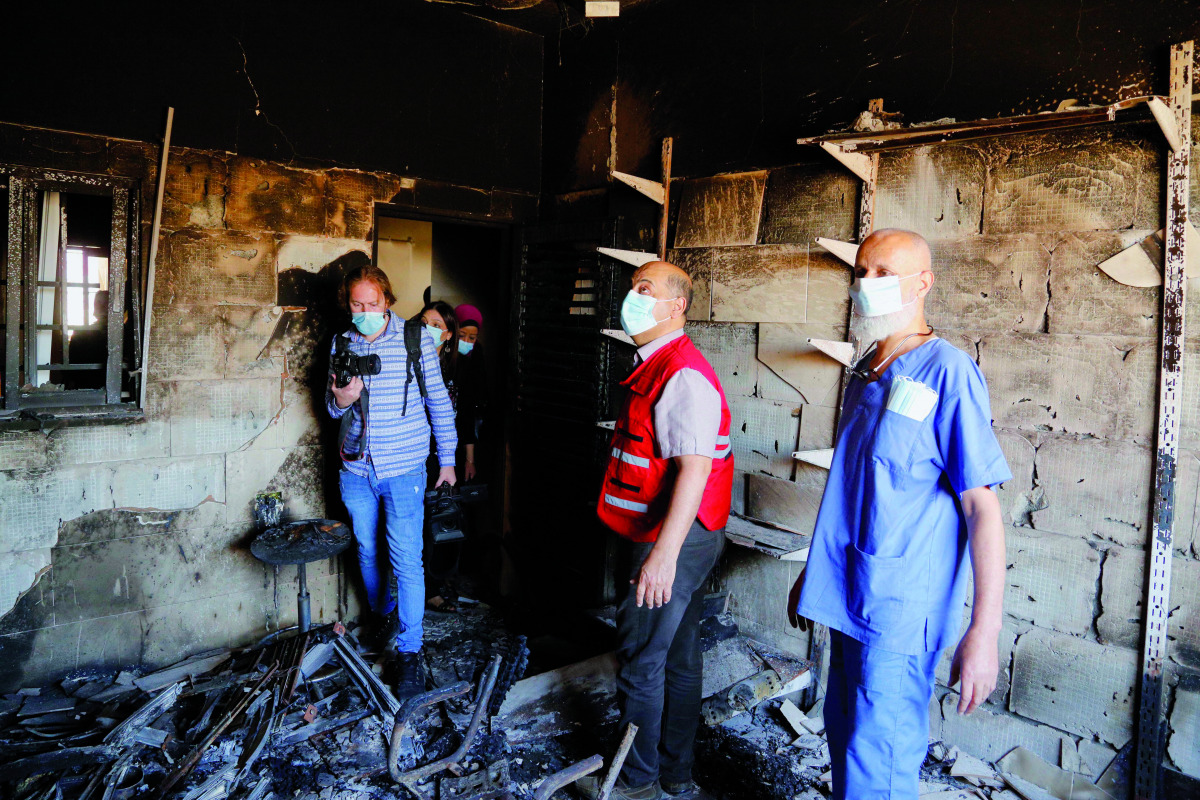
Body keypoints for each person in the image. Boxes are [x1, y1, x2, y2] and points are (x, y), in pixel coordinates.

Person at [787, 229, 1010, 800]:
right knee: (844, 738)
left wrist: (984, 631)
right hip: (848, 591)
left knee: (878, 758)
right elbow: (854, 489)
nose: (868, 283)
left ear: (924, 283)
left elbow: (981, 508)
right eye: (863, 271)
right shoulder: (868, 367)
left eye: (885, 272)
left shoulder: (948, 372)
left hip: (900, 608)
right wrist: (813, 575)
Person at [576, 261, 734, 800]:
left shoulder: (682, 373)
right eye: (632, 288)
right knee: (680, 657)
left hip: (672, 539)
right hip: (681, 535)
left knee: (642, 661)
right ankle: (675, 773)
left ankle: (637, 784)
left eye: (646, 290)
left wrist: (663, 556)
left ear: (676, 307)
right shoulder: (658, 364)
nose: (633, 298)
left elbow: (694, 468)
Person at [326, 265, 458, 698]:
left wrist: (449, 459)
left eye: (371, 304)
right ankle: (382, 615)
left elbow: (438, 401)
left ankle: (410, 651)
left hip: (404, 469)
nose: (363, 311)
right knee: (366, 549)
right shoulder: (341, 341)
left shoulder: (415, 338)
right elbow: (330, 411)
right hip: (356, 469)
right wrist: (340, 398)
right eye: (356, 304)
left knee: (406, 558)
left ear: (387, 301)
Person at [453, 303, 485, 482]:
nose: (466, 342)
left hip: (467, 431)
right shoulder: (443, 356)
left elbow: (470, 403)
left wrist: (470, 459)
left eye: (472, 338)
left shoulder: (477, 355)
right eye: (461, 335)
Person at [419, 300, 460, 407]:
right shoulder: (408, 361)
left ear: (449, 334)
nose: (426, 328)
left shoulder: (457, 368)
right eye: (424, 322)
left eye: (436, 325)